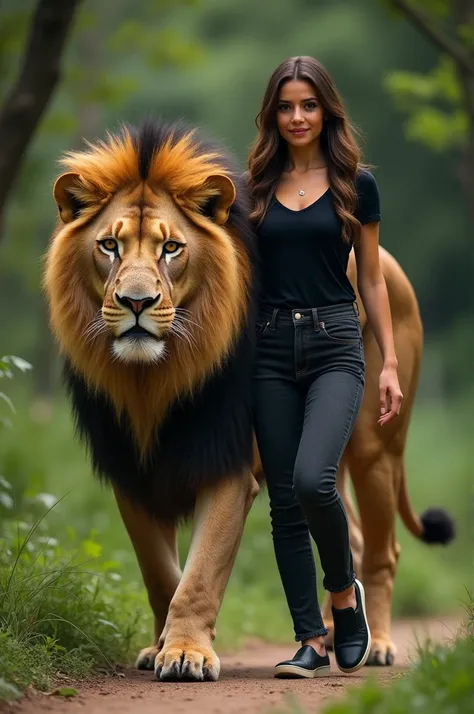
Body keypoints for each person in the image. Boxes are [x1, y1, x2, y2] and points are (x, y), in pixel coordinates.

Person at [247, 56, 403, 678]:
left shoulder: (355, 185)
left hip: (337, 342)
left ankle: (345, 595)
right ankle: (310, 639)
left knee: (315, 480)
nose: (297, 117)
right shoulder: (254, 186)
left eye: (308, 105)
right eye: (285, 106)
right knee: (284, 501)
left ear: (326, 110)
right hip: (269, 350)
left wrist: (388, 361)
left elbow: (371, 277)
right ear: (273, 114)